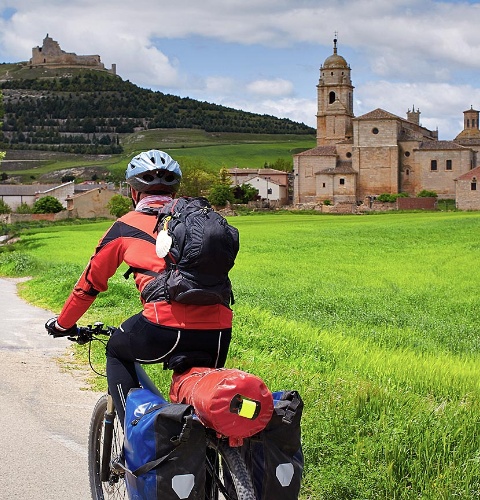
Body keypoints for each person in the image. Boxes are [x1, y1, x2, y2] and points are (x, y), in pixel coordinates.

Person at [45, 150, 233, 425]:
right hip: (217, 330)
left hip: (162, 329)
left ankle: (132, 440)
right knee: (207, 410)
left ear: (134, 192)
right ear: (174, 189)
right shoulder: (201, 222)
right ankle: (214, 462)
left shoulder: (124, 227)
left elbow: (88, 286)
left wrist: (63, 325)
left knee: (117, 349)